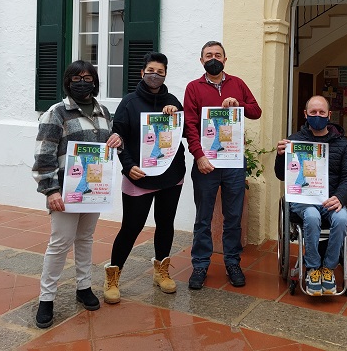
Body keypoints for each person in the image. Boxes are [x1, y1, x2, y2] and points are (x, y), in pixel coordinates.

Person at [32, 60, 121, 328]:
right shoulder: (57, 113)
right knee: (60, 244)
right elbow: (44, 154)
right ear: (68, 82)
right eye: (76, 78)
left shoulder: (103, 111)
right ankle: (46, 299)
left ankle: (84, 288)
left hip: (94, 190)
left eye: (88, 77)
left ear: (95, 81)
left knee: (85, 239)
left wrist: (118, 139)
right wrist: (50, 190)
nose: (83, 82)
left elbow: (109, 143)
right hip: (66, 192)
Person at [104, 52, 186, 302]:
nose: (155, 75)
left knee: (165, 224)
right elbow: (118, 139)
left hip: (171, 177)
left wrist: (176, 114)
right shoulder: (128, 102)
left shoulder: (172, 101)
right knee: (131, 227)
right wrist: (128, 166)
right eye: (151, 70)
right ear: (142, 73)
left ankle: (161, 271)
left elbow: (180, 133)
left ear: (165, 75)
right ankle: (113, 275)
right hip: (138, 176)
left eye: (160, 72)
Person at [183, 41, 262, 290]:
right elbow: (190, 125)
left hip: (234, 162)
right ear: (201, 60)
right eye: (208, 55)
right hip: (206, 163)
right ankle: (200, 265)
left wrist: (239, 105)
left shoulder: (237, 84)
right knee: (203, 218)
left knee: (233, 216)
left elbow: (256, 111)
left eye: (218, 55)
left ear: (225, 60)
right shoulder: (193, 88)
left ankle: (232, 262)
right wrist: (198, 156)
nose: (213, 58)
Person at [274, 95, 347, 296]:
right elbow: (280, 175)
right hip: (304, 201)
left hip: (331, 198)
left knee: (342, 218)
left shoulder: (343, 144)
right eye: (313, 112)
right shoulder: (294, 141)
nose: (317, 116)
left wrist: (340, 197)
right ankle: (312, 267)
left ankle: (328, 267)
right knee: (311, 216)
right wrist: (279, 157)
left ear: (329, 115)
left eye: (321, 112)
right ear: (306, 114)